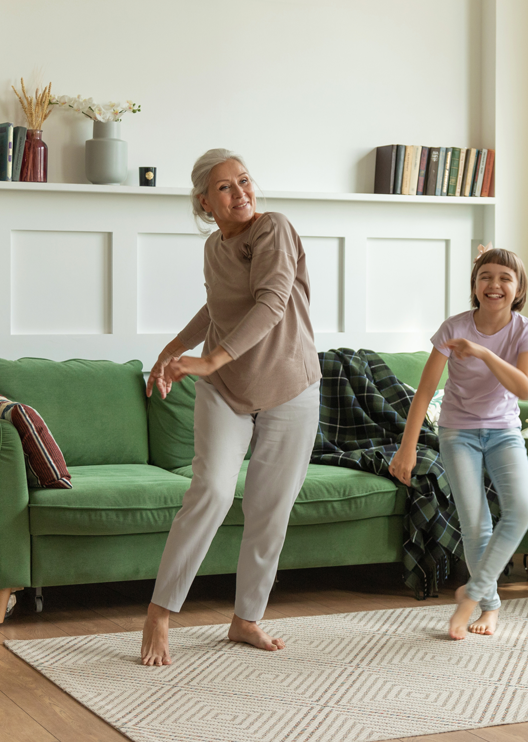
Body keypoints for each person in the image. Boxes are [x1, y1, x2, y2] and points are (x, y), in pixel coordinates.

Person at [140, 149, 321, 666]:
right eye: (225, 187)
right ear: (204, 202)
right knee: (211, 490)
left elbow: (272, 301)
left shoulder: (274, 229)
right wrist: (172, 350)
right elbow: (216, 307)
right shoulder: (215, 247)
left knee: (269, 507)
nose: (240, 192)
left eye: (243, 181)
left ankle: (246, 619)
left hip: (289, 385)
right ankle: (159, 611)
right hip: (227, 388)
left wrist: (209, 358)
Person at [390, 248, 528, 640]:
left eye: (505, 278)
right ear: (475, 286)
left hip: (504, 431)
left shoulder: (526, 331)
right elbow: (423, 392)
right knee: (475, 526)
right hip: (457, 433)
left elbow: (525, 388)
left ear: (518, 287)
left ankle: (471, 594)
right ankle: (489, 605)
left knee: (523, 507)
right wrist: (407, 448)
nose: (495, 285)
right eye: (485, 277)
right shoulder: (453, 328)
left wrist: (484, 353)